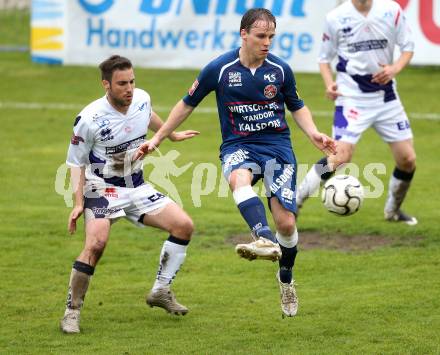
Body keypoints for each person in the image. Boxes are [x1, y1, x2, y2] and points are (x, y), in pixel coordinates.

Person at [134, 9, 336, 317]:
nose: (267, 42)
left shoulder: (280, 71)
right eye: (260, 36)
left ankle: (286, 279)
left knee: (287, 223)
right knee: (238, 180)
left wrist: (313, 134)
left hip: (277, 147)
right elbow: (186, 104)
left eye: (271, 37)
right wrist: (159, 138)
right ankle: (263, 238)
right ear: (243, 34)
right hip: (238, 145)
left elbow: (297, 106)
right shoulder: (220, 68)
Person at [61, 55, 199, 334]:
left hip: (136, 186)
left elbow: (147, 115)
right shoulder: (88, 119)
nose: (129, 88)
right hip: (101, 188)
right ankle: (72, 312)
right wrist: (78, 204)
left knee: (184, 226)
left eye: (132, 81)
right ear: (106, 85)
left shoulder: (141, 99)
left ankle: (161, 291)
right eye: (122, 83)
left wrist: (170, 135)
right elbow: (76, 163)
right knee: (97, 244)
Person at [297, 0, 417, 225]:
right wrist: (329, 83)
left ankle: (392, 211)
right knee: (339, 157)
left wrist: (394, 69)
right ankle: (295, 201)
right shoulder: (336, 17)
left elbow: (408, 48)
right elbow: (324, 59)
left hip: (386, 98)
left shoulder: (391, 10)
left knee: (407, 159)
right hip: (350, 98)